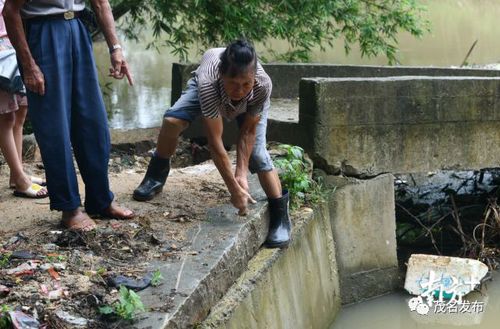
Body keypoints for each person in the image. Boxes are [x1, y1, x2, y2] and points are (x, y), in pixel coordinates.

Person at [133, 39, 291, 248]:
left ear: (254, 78)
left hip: (249, 105)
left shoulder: (262, 85)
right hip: (207, 89)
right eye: (233, 84)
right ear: (221, 76)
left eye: (246, 84)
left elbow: (248, 131)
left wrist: (241, 174)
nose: (240, 90)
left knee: (259, 155)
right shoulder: (208, 83)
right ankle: (156, 174)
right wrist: (233, 189)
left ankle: (281, 216)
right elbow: (216, 143)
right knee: (171, 122)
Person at [3, 0, 135, 231]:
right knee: (54, 127)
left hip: (77, 29)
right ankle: (70, 208)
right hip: (44, 34)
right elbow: (10, 12)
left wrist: (116, 49)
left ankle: (100, 199)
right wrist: (28, 65)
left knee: (93, 122)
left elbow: (100, 3)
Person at [0, 0, 47, 198]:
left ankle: (16, 173)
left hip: (14, 45)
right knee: (6, 117)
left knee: (21, 112)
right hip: (1, 53)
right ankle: (20, 179)